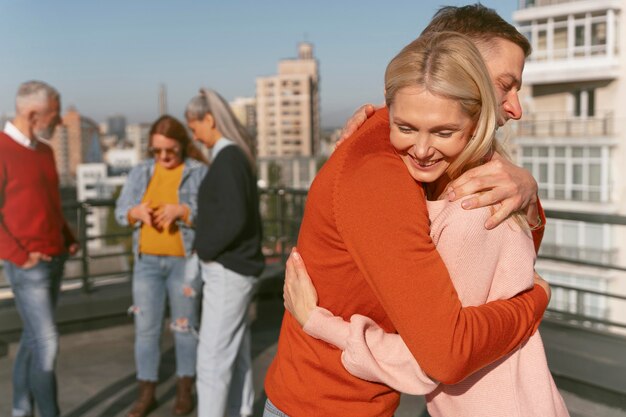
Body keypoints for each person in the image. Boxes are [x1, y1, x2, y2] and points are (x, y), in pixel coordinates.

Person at [264, 5, 551, 417]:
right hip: (324, 406)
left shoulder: (434, 161)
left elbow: (509, 261)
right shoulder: (381, 174)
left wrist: (527, 191)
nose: (515, 107)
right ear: (457, 63)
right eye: (505, 86)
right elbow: (446, 354)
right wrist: (536, 301)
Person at [115, 115, 207, 417]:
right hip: (147, 264)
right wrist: (134, 212)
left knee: (184, 328)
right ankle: (147, 395)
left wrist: (184, 210)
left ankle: (184, 392)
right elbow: (119, 213)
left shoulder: (198, 172)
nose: (164, 157)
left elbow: (212, 215)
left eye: (170, 150)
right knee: (145, 331)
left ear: (182, 146)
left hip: (185, 262)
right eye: (157, 151)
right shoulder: (141, 172)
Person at [184, 88, 265, 417]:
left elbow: (232, 217)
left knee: (212, 362)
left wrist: (203, 248)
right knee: (236, 355)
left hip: (228, 271)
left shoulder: (227, 159)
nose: (194, 135)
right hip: (238, 270)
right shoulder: (235, 157)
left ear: (209, 119)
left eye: (194, 126)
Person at [0, 80, 78, 417]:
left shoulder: (44, 151)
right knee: (47, 343)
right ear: (33, 114)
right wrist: (20, 257)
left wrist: (68, 236)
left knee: (34, 342)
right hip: (27, 266)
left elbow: (50, 203)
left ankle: (20, 411)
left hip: (56, 257)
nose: (58, 122)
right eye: (54, 115)